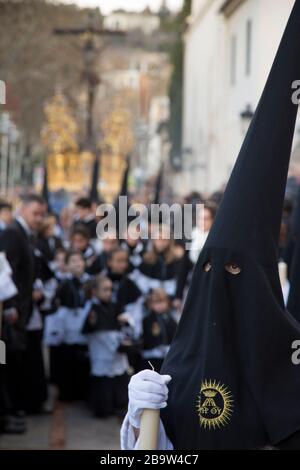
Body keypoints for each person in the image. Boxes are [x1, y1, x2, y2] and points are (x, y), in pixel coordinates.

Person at [121, 1, 300, 450]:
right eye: (211, 270)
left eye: (238, 271)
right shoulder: (175, 370)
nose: (222, 282)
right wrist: (142, 420)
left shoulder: (290, 362)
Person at [0, 194, 46, 433]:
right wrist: (10, 306)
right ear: (23, 210)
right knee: (7, 360)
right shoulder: (12, 233)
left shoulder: (24, 234)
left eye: (42, 214)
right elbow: (4, 274)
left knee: (14, 360)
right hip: (11, 313)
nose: (39, 218)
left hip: (20, 312)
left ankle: (13, 408)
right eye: (35, 213)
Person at [82, 274, 131, 417]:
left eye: (110, 289)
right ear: (95, 291)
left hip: (114, 347)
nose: (108, 293)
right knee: (103, 381)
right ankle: (102, 409)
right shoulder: (91, 307)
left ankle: (119, 405)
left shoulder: (113, 305)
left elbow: (121, 320)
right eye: (105, 289)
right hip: (101, 349)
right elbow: (90, 327)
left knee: (118, 377)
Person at [54, 251, 90, 401]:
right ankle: (68, 392)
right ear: (67, 265)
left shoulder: (88, 281)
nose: (78, 264)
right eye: (73, 261)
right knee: (68, 357)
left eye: (80, 260)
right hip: (68, 322)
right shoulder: (63, 284)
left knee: (83, 358)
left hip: (83, 320)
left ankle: (83, 392)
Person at [140, 289, 178, 372]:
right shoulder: (147, 320)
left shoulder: (170, 318)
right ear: (150, 304)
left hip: (168, 356)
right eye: (156, 302)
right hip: (152, 358)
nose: (159, 305)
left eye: (162, 302)